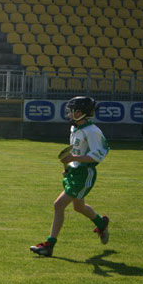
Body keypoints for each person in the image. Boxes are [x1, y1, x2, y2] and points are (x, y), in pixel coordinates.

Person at [30, 96, 110, 257]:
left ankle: (49, 245)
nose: (69, 114)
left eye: (71, 111)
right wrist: (68, 166)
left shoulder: (92, 131)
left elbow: (97, 156)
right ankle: (101, 223)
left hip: (84, 173)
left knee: (58, 205)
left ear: (80, 112)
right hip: (74, 172)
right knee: (78, 207)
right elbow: (73, 152)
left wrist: (73, 160)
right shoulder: (75, 129)